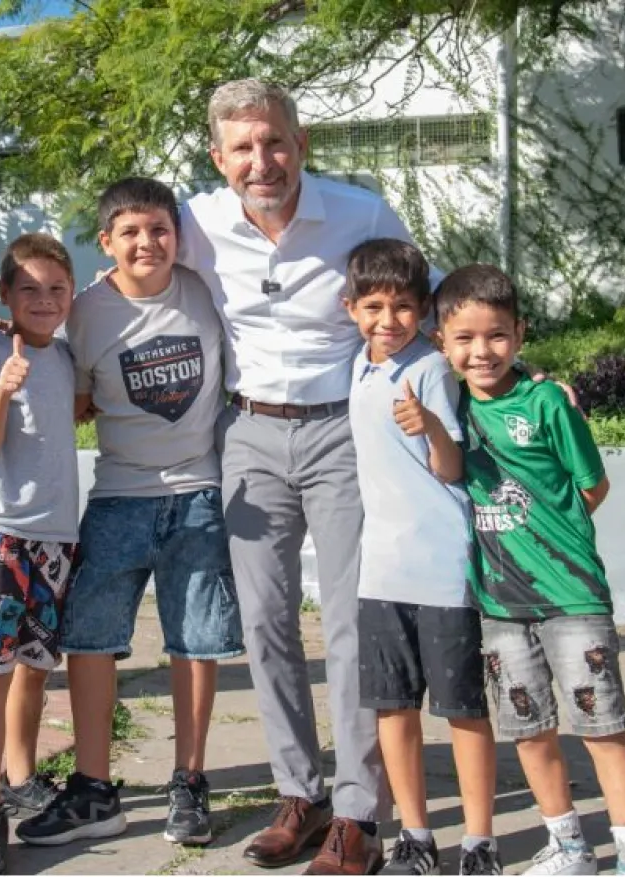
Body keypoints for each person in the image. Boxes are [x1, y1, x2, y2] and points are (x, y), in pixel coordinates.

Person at [178, 78, 442, 874]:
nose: (262, 161)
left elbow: (430, 303)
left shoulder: (361, 213)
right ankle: (300, 792)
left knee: (354, 621)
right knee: (263, 620)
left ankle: (358, 810)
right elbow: (131, 272)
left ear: (301, 143)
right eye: (243, 148)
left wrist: (517, 374)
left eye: (275, 142)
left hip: (345, 430)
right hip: (249, 434)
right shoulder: (195, 221)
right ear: (218, 157)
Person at [16, 177, 244, 850]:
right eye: (131, 232)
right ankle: (92, 786)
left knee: (196, 640)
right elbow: (70, 391)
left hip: (199, 494)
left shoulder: (205, 290)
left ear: (177, 235)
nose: (147, 243)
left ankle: (189, 780)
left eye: (159, 229)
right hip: (118, 496)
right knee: (90, 637)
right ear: (107, 242)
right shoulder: (86, 312)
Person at [434, 264, 625, 877]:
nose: (482, 351)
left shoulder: (547, 403)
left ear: (520, 334)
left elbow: (593, 486)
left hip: (572, 598)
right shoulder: (448, 405)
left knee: (603, 727)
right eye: (465, 338)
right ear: (441, 342)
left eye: (497, 335)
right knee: (529, 732)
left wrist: (549, 537)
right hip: (500, 607)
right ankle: (570, 848)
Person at [342, 239, 501, 875]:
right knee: (393, 708)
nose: (388, 320)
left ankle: (480, 842)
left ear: (425, 310)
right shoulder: (358, 365)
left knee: (463, 710)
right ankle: (415, 836)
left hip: (441, 570)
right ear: (350, 308)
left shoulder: (430, 369)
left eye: (404, 307)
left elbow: (452, 466)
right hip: (381, 571)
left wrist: (429, 424)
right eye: (374, 307)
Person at [0, 233, 80, 875]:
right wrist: (2, 389)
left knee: (34, 667)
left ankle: (22, 777)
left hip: (56, 537)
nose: (44, 299)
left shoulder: (67, 356)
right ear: (5, 293)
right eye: (29, 288)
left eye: (56, 288)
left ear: (71, 293)